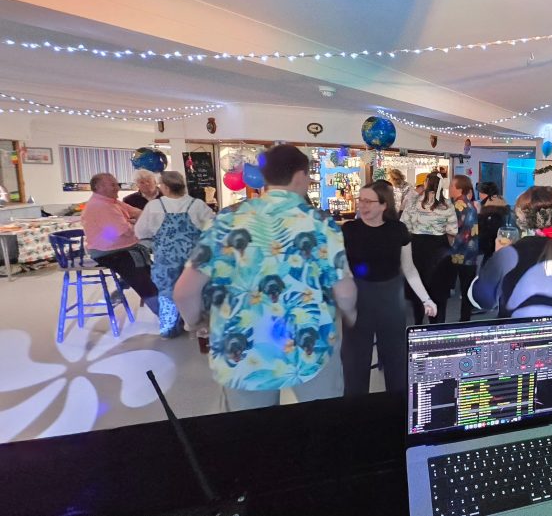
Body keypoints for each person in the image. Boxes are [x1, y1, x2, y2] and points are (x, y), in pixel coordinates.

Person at [173, 145, 356, 411]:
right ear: (300, 176)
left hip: (244, 351)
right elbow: (346, 292)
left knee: (252, 438)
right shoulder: (319, 222)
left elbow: (184, 291)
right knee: (323, 424)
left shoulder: (227, 218)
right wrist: (350, 315)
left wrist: (195, 322)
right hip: (308, 344)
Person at [341, 180, 436, 395]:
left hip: (390, 298)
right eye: (360, 200)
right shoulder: (350, 230)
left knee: (396, 361)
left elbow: (409, 269)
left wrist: (426, 299)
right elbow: (342, 268)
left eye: (369, 201)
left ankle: (395, 412)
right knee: (355, 364)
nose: (362, 205)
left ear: (384, 205)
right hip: (358, 298)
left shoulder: (398, 230)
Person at [469, 186, 552, 319]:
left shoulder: (508, 255)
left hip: (516, 337)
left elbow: (480, 300)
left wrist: (497, 257)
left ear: (522, 218)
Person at [134, 171, 214, 337]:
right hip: (195, 259)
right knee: (198, 290)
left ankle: (170, 329)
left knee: (167, 293)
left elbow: (140, 232)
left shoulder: (154, 206)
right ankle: (201, 328)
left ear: (165, 187)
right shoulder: (197, 204)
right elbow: (214, 229)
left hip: (165, 260)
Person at [81, 173, 160, 316]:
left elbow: (139, 214)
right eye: (113, 185)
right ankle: (168, 318)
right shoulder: (101, 206)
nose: (117, 187)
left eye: (116, 184)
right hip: (109, 251)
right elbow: (123, 231)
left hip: (122, 245)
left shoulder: (112, 202)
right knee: (144, 281)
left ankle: (124, 286)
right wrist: (132, 224)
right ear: (99, 187)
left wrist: (131, 223)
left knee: (152, 272)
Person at [401, 172, 457, 324]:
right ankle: (437, 329)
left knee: (417, 292)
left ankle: (418, 326)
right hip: (440, 248)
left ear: (425, 183)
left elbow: (403, 226)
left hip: (417, 247)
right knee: (439, 294)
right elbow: (452, 231)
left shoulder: (413, 202)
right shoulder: (447, 204)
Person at [446, 174, 479, 321]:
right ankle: (465, 320)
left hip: (458, 252)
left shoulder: (457, 206)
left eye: (452, 186)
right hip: (471, 253)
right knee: (466, 291)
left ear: (459, 188)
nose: (449, 188)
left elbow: (454, 231)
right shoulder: (471, 203)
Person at [476, 182, 511, 267]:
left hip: (490, 241)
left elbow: (482, 225)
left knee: (488, 263)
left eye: (480, 192)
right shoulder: (501, 200)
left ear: (485, 193)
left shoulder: (488, 205)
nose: (479, 194)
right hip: (501, 239)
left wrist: (478, 213)